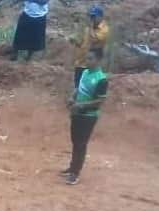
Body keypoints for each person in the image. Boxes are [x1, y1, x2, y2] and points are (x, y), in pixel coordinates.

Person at [64, 47, 108, 185]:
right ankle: (72, 167)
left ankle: (75, 173)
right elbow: (78, 88)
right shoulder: (84, 72)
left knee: (81, 144)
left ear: (99, 60)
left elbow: (100, 101)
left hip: (89, 115)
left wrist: (82, 105)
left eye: (91, 59)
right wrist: (72, 98)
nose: (87, 61)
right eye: (87, 58)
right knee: (75, 141)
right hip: (77, 112)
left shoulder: (101, 79)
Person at [71, 6, 110, 87]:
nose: (92, 19)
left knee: (89, 86)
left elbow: (94, 39)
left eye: (94, 16)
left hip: (91, 64)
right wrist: (75, 40)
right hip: (80, 62)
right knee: (78, 85)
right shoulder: (88, 28)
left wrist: (90, 27)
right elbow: (81, 42)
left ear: (100, 17)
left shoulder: (104, 29)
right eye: (91, 16)